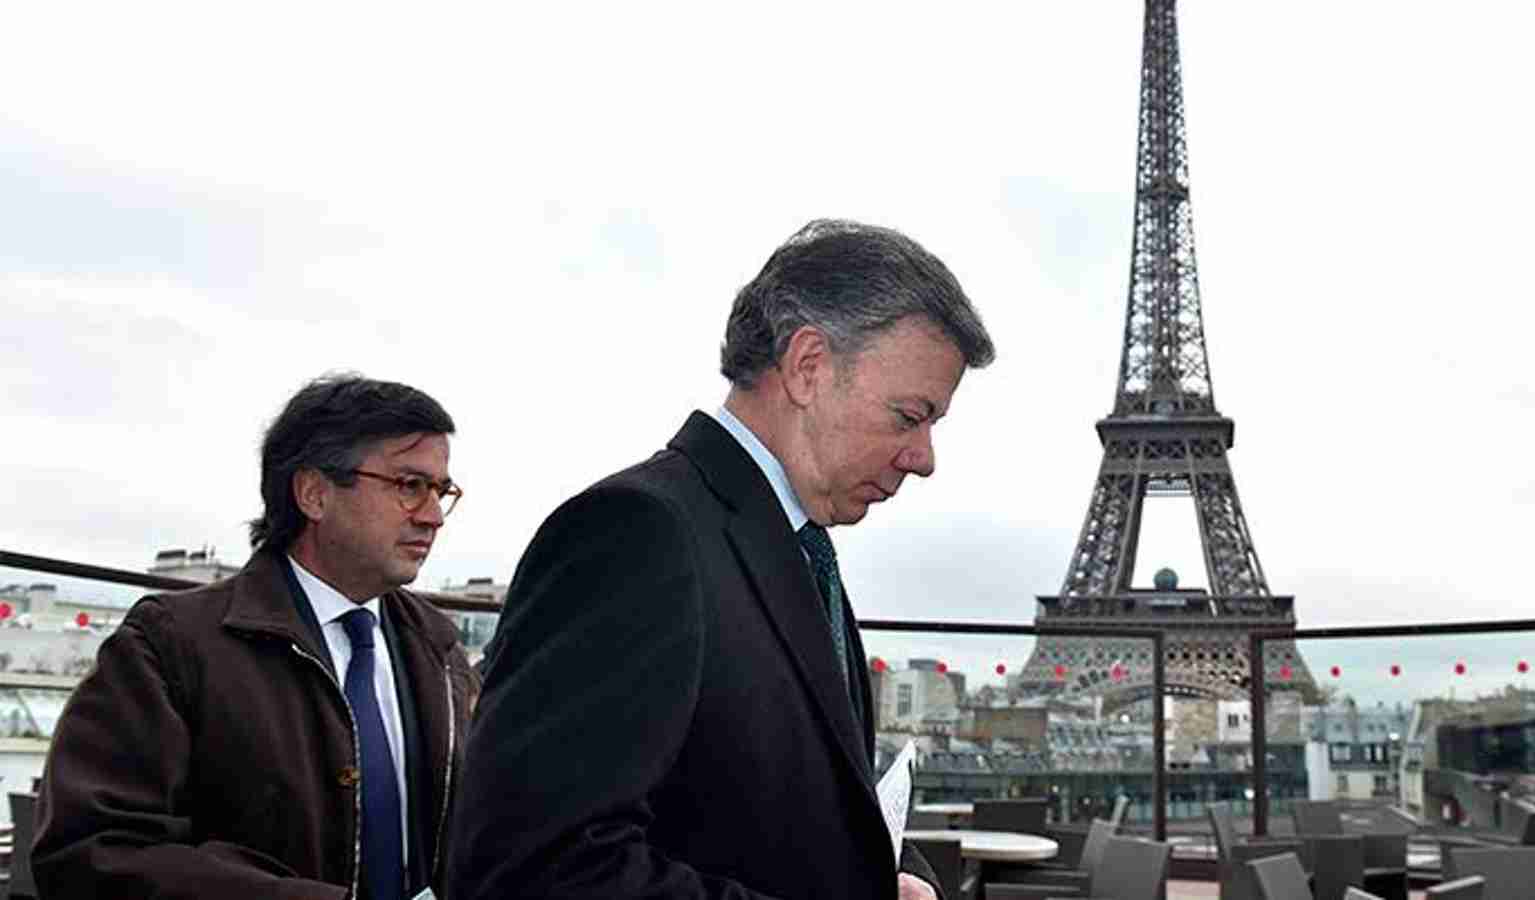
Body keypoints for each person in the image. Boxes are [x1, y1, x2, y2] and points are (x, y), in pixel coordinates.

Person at [448, 219, 995, 899]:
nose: (925, 458)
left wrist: (894, 878)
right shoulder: (635, 535)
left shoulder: (791, 546)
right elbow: (531, 869)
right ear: (808, 366)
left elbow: (783, 803)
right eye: (909, 416)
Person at [34, 374, 481, 900]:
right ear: (314, 493)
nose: (433, 517)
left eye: (440, 491)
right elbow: (93, 852)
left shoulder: (441, 652)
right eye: (409, 486)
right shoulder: (168, 646)